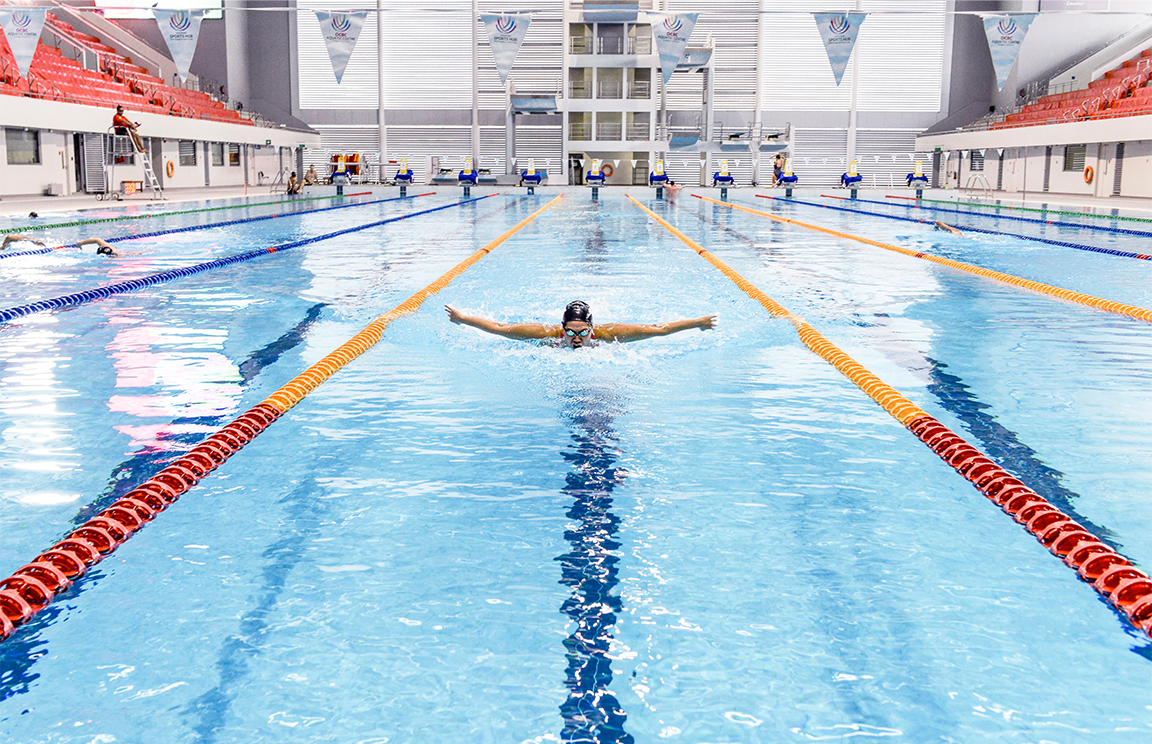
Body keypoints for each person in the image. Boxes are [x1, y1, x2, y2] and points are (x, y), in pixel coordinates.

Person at [445, 300, 716, 349]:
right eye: (571, 332)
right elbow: (499, 328)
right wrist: (462, 319)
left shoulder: (610, 335)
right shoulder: (545, 335)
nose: (576, 338)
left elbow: (660, 329)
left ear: (592, 330)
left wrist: (697, 323)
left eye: (583, 332)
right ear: (561, 329)